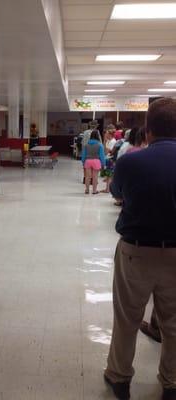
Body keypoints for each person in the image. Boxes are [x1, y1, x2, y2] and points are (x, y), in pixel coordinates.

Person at [104, 98, 176, 400]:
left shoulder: (130, 161)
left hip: (136, 252)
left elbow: (117, 193)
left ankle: (119, 378)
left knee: (127, 318)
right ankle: (171, 383)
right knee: (174, 323)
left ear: (147, 131)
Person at [81, 130, 105, 194]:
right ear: (98, 136)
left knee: (87, 176)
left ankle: (87, 190)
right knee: (95, 177)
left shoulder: (86, 145)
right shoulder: (100, 145)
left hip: (88, 161)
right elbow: (102, 155)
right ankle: (94, 191)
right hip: (96, 161)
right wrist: (103, 163)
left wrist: (83, 161)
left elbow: (83, 154)